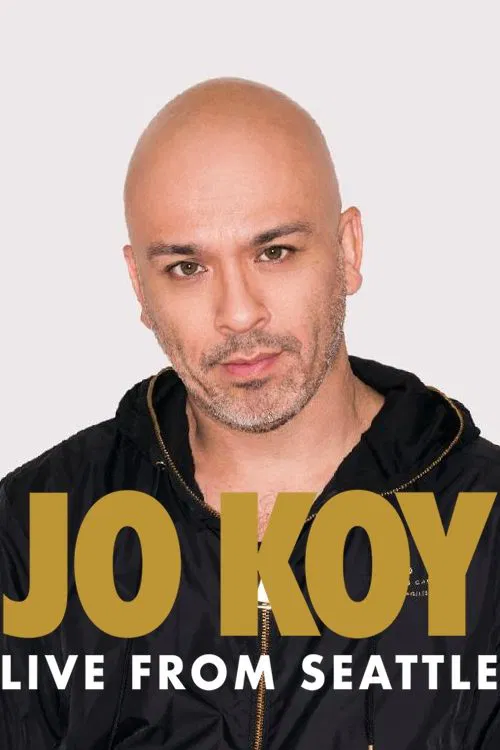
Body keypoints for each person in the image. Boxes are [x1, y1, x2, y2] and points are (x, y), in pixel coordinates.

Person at [1, 77, 499, 750]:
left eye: (274, 252)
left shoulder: (486, 527)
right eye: (187, 267)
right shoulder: (33, 531)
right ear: (140, 287)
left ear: (349, 250)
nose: (238, 313)